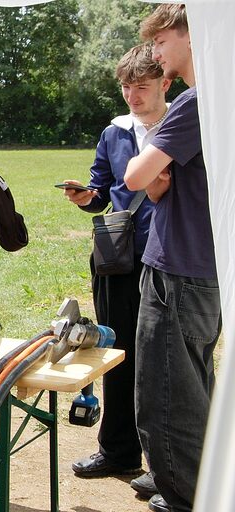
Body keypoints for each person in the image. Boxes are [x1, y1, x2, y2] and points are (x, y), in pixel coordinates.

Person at [125, 5, 222, 512]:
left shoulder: (196, 102)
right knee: (192, 384)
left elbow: (137, 177)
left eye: (162, 42)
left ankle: (184, 495)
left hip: (180, 270)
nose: (156, 53)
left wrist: (151, 171)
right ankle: (187, 477)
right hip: (204, 268)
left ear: (192, 37)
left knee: (166, 392)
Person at [63, 44, 169, 500]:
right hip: (118, 259)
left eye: (141, 86)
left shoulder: (184, 123)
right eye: (126, 86)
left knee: (161, 364)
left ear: (166, 82)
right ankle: (118, 449)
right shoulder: (115, 131)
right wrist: (88, 195)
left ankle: (164, 464)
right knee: (117, 352)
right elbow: (103, 187)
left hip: (168, 257)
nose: (132, 95)